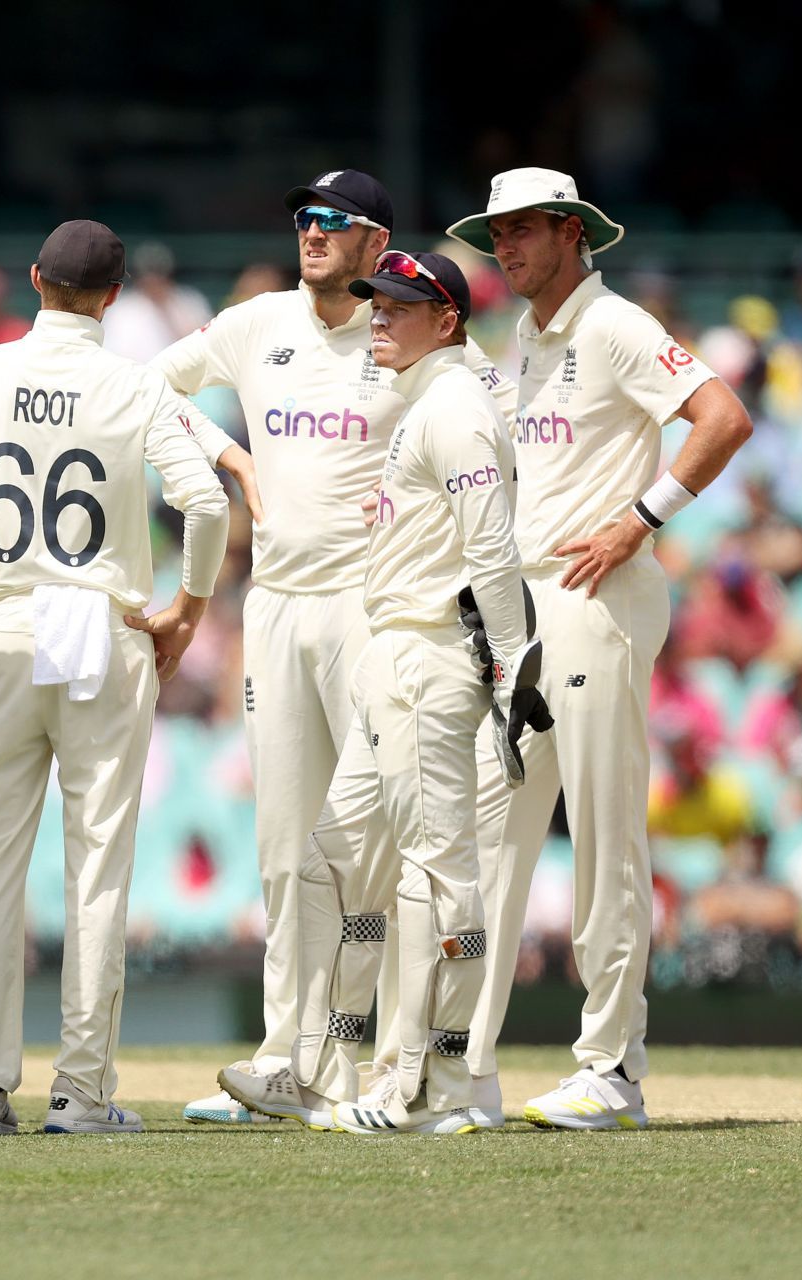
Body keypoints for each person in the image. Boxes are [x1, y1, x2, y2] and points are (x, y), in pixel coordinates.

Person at [151, 170, 516, 1126]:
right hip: (275, 606)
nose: (311, 234)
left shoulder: (410, 339)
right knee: (290, 847)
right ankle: (293, 1060)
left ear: (376, 242)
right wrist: (226, 458)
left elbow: (496, 434)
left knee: (390, 856)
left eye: (332, 223)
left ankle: (402, 1065)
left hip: (377, 612)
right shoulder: (255, 324)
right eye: (304, 220)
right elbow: (148, 390)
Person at [445, 168, 753, 1129]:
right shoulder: (525, 338)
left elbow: (723, 417)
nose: (506, 245)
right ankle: (465, 1066)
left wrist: (639, 520)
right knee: (493, 840)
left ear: (574, 233)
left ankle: (612, 1069)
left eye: (525, 229)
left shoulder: (612, 325)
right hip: (523, 607)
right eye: (496, 231)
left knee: (607, 842)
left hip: (598, 596)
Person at [220, 251, 544, 1134]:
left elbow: (492, 552)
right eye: (376, 305)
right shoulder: (422, 404)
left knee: (443, 875)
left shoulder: (457, 410)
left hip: (433, 661)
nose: (378, 321)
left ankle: (444, 1081)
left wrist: (514, 671)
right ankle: (327, 1066)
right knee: (336, 855)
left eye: (399, 309)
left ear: (446, 321)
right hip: (390, 659)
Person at [0, 220, 228, 1136]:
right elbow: (208, 501)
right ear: (113, 295)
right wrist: (189, 606)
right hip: (98, 626)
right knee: (96, 868)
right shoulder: (134, 384)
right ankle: (82, 1093)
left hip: (6, 622)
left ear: (34, 281)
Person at [101, 242, 213, 362]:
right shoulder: (120, 308)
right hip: (134, 376)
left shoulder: (189, 301)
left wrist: (166, 309)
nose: (154, 280)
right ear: (138, 277)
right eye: (148, 274)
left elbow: (203, 350)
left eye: (159, 273)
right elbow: (111, 354)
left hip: (177, 377)